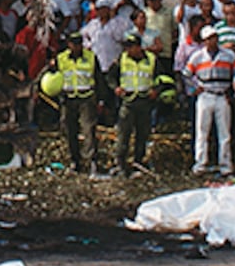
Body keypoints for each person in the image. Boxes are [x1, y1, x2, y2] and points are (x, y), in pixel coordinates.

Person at [188, 26, 235, 176]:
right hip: (205, 95)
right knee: (202, 131)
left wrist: (232, 93)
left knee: (224, 132)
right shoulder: (198, 57)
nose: (212, 41)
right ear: (204, 41)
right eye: (209, 38)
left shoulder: (228, 55)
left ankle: (225, 165)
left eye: (214, 37)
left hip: (222, 94)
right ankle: (201, 163)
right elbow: (186, 74)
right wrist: (194, 88)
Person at [108, 34, 158, 177]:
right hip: (128, 101)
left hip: (144, 100)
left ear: (138, 47)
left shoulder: (151, 59)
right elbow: (110, 76)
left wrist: (156, 90)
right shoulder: (121, 59)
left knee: (142, 134)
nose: (128, 50)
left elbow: (162, 77)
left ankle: (138, 162)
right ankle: (120, 164)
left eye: (131, 47)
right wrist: (115, 88)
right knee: (123, 134)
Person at [54, 32, 102, 176]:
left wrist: (101, 100)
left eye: (79, 44)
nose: (77, 47)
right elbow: (53, 76)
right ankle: (75, 161)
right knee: (70, 131)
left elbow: (98, 78)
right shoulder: (61, 59)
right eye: (74, 44)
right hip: (68, 99)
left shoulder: (91, 57)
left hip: (86, 97)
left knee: (89, 130)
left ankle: (92, 161)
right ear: (69, 45)